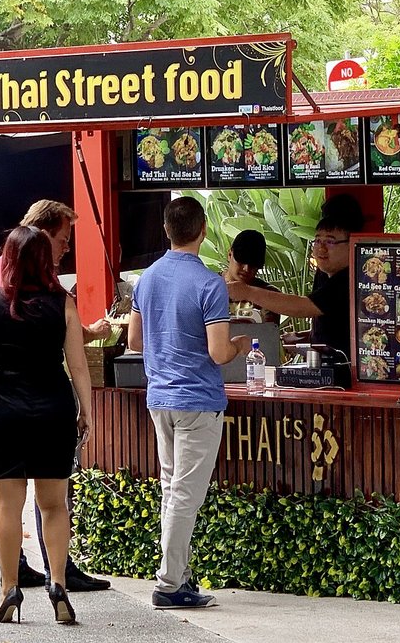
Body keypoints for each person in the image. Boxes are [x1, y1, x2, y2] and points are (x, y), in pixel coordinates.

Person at [0, 199, 112, 593]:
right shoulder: (59, 298)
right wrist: (86, 411)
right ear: (43, 243)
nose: (65, 249)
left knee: (7, 502)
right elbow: (76, 364)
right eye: (62, 240)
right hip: (52, 404)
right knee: (53, 503)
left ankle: (9, 585)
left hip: (3, 403)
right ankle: (59, 581)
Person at [128, 196, 250, 609]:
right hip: (198, 400)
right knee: (185, 495)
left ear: (167, 230)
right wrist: (240, 344)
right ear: (203, 231)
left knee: (171, 488)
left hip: (159, 398)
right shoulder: (210, 284)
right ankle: (169, 584)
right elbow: (218, 352)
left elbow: (134, 341)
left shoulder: (146, 279)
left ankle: (178, 574)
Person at [227, 201, 363, 388]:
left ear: (352, 244)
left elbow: (305, 306)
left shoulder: (349, 278)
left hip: (348, 377)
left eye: (330, 241)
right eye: (317, 241)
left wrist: (247, 292)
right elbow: (332, 323)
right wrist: (305, 337)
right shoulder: (324, 273)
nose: (321, 248)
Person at [224, 229, 280, 324]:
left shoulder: (269, 295)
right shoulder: (208, 287)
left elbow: (268, 331)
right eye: (241, 261)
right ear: (230, 255)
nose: (246, 269)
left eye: (253, 265)